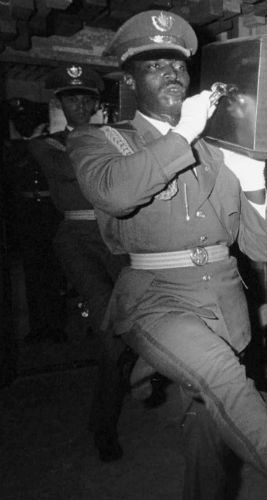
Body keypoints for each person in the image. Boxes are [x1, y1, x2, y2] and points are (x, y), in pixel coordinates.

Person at [68, 11, 267, 500]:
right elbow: (114, 193)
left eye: (178, 65)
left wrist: (253, 187)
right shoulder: (102, 141)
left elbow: (259, 246)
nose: (173, 74)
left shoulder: (217, 146)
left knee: (212, 425)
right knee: (223, 379)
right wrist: (183, 136)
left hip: (225, 305)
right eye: (155, 66)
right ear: (130, 80)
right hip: (157, 298)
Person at [27, 65, 130, 462]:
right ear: (61, 103)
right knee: (109, 324)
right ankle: (104, 425)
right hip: (77, 239)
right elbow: (86, 175)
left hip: (118, 237)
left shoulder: (113, 137)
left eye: (87, 97)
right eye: (72, 98)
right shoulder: (46, 145)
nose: (81, 104)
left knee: (137, 315)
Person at [5, 98, 66, 343]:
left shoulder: (52, 144)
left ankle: (56, 326)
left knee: (54, 271)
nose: (23, 125)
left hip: (50, 212)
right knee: (33, 272)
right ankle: (38, 327)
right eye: (20, 121)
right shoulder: (15, 147)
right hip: (28, 214)